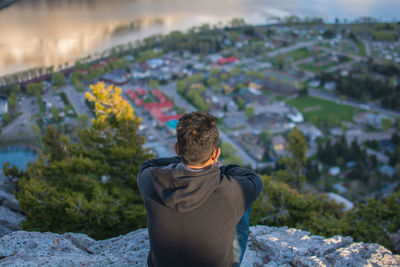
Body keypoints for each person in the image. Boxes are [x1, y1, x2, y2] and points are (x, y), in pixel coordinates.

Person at [137, 111, 262, 267]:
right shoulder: (231, 191)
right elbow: (253, 179)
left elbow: (150, 164)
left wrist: (188, 155)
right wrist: (218, 167)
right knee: (244, 199)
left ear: (177, 148)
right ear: (216, 153)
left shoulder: (150, 180)